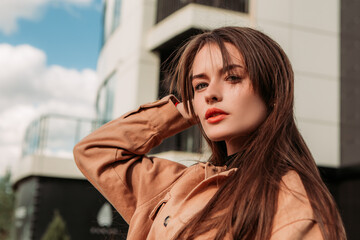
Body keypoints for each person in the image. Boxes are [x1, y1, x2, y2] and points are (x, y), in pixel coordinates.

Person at [73, 27, 346, 239]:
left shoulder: (290, 199)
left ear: (272, 91)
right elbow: (96, 152)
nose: (211, 94)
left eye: (233, 77)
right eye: (200, 85)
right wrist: (180, 110)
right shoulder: (177, 185)